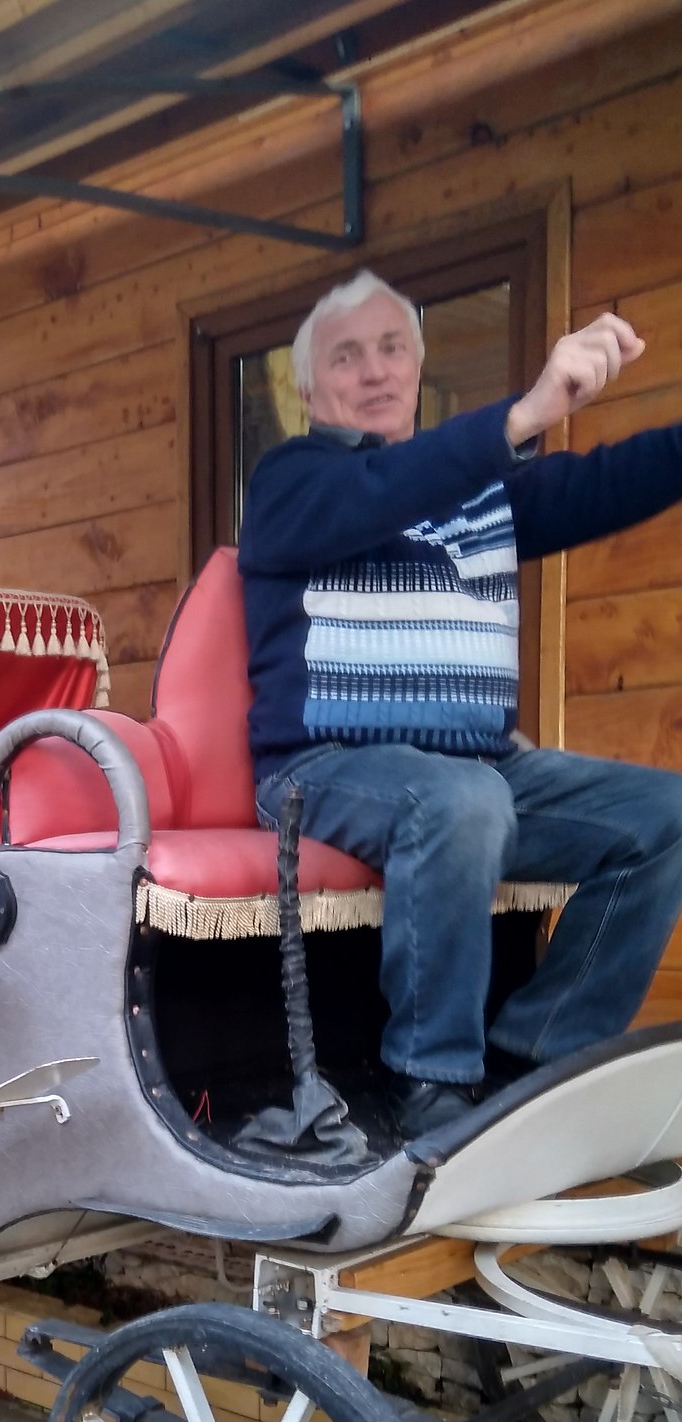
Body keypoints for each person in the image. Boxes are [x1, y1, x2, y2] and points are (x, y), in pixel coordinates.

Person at [238, 269, 682, 1138]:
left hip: (482, 765)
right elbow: (380, 492)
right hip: (323, 770)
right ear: (308, 390)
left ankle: (533, 1064)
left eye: (392, 348)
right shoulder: (291, 481)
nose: (375, 370)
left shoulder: (480, 488)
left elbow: (600, 483)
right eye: (347, 356)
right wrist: (518, 419)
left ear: (418, 367)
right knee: (463, 798)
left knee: (662, 815)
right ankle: (429, 1082)